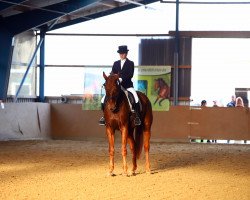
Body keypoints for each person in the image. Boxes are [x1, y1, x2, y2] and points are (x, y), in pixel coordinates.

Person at [99, 45, 141, 126]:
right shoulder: (116, 63)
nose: (122, 55)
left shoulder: (130, 63)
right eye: (121, 53)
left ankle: (137, 117)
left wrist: (121, 79)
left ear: (126, 54)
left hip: (127, 86)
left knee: (135, 98)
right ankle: (104, 116)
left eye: (124, 53)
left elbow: (130, 74)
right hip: (116, 86)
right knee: (103, 99)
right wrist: (107, 81)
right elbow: (112, 73)